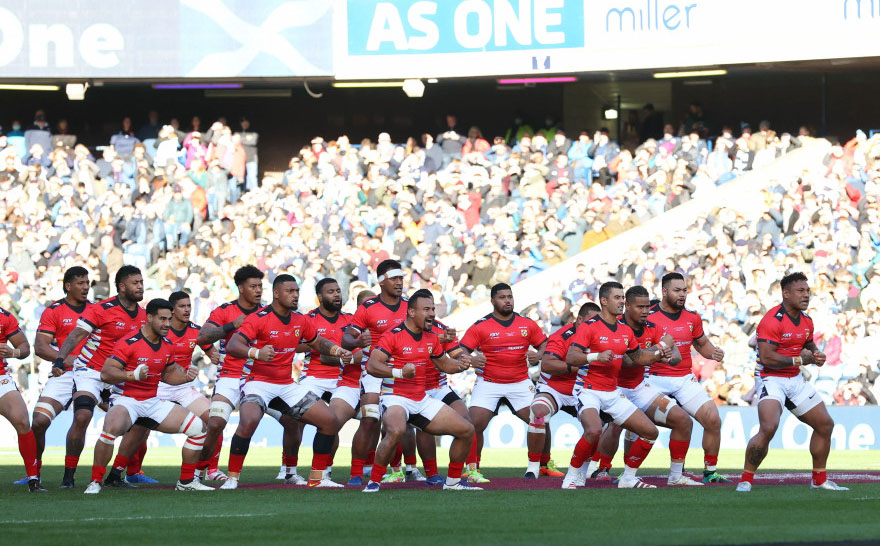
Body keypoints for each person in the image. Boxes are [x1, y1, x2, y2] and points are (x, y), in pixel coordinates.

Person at [220, 274, 352, 489]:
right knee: (249, 421)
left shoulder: (300, 320)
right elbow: (233, 345)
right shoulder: (259, 317)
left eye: (296, 291)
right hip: (258, 382)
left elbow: (317, 342)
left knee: (329, 421)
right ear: (276, 293)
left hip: (287, 384)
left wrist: (338, 351)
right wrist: (256, 353)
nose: (295, 295)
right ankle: (232, 478)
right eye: (289, 291)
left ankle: (316, 479)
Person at [83, 298, 213, 494]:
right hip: (126, 400)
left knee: (199, 429)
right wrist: (132, 375)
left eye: (169, 319)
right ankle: (95, 481)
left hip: (152, 401)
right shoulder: (128, 342)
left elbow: (168, 375)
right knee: (111, 429)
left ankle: (186, 482)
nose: (167, 324)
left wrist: (185, 377)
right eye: (162, 319)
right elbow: (106, 373)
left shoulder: (167, 344)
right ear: (149, 318)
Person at [362, 289, 482, 492]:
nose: (432, 313)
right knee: (396, 430)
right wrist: (399, 372)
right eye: (426, 309)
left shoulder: (432, 338)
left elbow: (444, 364)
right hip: (395, 397)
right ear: (411, 312)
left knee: (466, 430)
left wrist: (462, 364)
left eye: (433, 309)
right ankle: (374, 482)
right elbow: (372, 366)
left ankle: (452, 482)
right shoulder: (392, 335)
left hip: (421, 398)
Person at [737, 273, 847, 492]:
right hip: (770, 377)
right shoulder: (771, 320)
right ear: (785, 294)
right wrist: (800, 360)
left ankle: (819, 480)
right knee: (769, 427)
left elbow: (808, 344)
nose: (806, 295)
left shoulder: (807, 320)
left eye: (808, 291)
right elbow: (767, 357)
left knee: (825, 424)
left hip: (794, 378)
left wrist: (816, 353)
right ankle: (746, 479)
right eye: (800, 291)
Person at [587, 286, 704, 487]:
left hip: (639, 387)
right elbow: (628, 361)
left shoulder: (652, 327)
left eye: (647, 307)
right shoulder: (616, 326)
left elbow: (676, 357)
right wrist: (659, 351)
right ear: (627, 306)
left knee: (683, 421)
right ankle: (601, 468)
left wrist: (659, 354)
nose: (645, 311)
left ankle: (675, 476)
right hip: (614, 388)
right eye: (639, 307)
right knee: (615, 426)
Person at [111, 291, 225, 485]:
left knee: (215, 419)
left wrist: (214, 356)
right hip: (159, 385)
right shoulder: (160, 330)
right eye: (182, 306)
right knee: (140, 429)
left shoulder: (196, 331)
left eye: (189, 306)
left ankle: (209, 470)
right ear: (172, 310)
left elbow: (211, 350)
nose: (187, 310)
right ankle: (124, 472)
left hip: (183, 387)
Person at [562, 281, 667, 489]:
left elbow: (638, 357)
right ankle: (571, 477)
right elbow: (571, 357)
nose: (621, 302)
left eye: (622, 298)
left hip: (612, 392)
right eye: (617, 298)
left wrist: (659, 354)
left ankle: (628, 478)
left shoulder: (625, 330)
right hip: (588, 390)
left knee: (650, 432)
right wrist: (596, 356)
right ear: (604, 301)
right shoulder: (589, 326)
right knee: (594, 430)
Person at [54, 265, 147, 488]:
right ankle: (69, 476)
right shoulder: (102, 309)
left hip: (119, 377)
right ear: (122, 287)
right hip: (91, 371)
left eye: (141, 282)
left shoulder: (145, 316)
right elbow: (77, 334)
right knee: (82, 416)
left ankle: (115, 476)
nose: (140, 286)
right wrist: (60, 359)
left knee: (140, 423)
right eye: (135, 283)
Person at [458, 283, 548, 484]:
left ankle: (536, 467)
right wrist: (471, 360)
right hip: (488, 383)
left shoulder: (527, 324)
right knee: (473, 424)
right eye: (502, 297)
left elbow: (546, 344)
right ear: (492, 301)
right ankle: (473, 469)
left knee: (539, 418)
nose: (507, 300)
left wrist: (539, 355)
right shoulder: (481, 326)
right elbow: (460, 351)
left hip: (520, 382)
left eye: (510, 296)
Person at [342, 260, 422, 486]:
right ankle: (356, 473)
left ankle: (410, 468)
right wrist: (357, 341)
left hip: (403, 373)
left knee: (405, 424)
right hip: (375, 373)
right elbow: (346, 338)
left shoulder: (410, 305)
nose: (399, 282)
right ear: (381, 282)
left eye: (401, 278)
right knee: (369, 421)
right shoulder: (368, 307)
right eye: (394, 278)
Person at [277, 278, 363, 485]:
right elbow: (293, 344)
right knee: (294, 419)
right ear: (320, 297)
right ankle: (289, 469)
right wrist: (317, 344)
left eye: (338, 291)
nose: (336, 295)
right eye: (330, 292)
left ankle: (327, 470)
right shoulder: (308, 319)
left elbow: (362, 349)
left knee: (349, 420)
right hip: (314, 377)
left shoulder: (350, 320)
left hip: (343, 379)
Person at [15, 267, 93, 487]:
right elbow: (40, 347)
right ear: (68, 286)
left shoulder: (96, 310)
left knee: (83, 418)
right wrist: (67, 359)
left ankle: (69, 477)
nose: (86, 287)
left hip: (92, 375)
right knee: (39, 422)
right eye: (80, 283)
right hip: (64, 373)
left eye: (87, 283)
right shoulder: (54, 310)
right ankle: (34, 473)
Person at [647, 272, 728, 483]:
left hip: (683, 378)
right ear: (664, 291)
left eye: (684, 290)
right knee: (635, 426)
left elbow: (702, 344)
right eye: (677, 290)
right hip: (652, 377)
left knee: (713, 419)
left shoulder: (693, 317)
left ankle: (710, 473)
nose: (682, 294)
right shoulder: (648, 315)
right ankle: (620, 470)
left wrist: (714, 353)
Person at [193, 265, 263, 478]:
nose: (258, 290)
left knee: (292, 420)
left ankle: (289, 472)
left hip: (261, 379)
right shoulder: (225, 311)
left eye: (260, 286)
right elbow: (202, 337)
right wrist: (231, 325)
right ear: (241, 288)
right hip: (229, 376)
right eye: (253, 286)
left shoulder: (268, 312)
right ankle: (201, 471)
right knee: (215, 423)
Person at [525, 302, 599, 480]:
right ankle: (533, 467)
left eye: (597, 322)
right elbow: (547, 365)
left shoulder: (600, 336)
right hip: (555, 388)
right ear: (579, 320)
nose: (594, 326)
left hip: (584, 389)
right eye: (590, 321)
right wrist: (575, 367)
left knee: (601, 423)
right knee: (538, 413)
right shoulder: (561, 335)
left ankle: (590, 466)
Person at [0, 305, 45, 492]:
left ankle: (33, 479)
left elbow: (25, 348)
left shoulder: (4, 317)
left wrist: (13, 352)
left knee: (22, 420)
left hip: (1, 377)